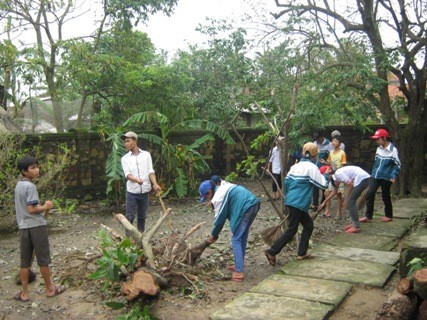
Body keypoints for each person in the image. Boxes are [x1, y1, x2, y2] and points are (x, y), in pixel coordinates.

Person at [264, 142, 328, 266]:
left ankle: (301, 253)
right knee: (292, 229)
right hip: (299, 202)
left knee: (308, 225)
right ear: (315, 155)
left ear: (303, 153)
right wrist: (326, 174)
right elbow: (323, 185)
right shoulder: (312, 168)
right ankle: (272, 251)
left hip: (291, 200)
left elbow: (286, 184)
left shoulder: (295, 166)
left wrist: (289, 199)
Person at [13, 156, 66, 302]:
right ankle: (50, 289)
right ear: (24, 171)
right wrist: (46, 206)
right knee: (43, 259)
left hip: (23, 227)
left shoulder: (18, 186)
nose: (37, 170)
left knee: (25, 262)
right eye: (32, 168)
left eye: (37, 167)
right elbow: (31, 209)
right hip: (36, 227)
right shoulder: (30, 187)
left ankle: (24, 293)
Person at [199, 180, 260, 282]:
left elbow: (219, 220)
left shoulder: (218, 197)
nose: (206, 199)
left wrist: (214, 235)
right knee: (242, 237)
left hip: (245, 207)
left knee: (236, 239)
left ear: (209, 192)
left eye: (206, 197)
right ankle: (238, 265)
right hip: (254, 204)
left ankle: (239, 272)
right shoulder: (223, 187)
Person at [121, 131, 161, 233]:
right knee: (130, 217)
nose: (126, 144)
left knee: (142, 216)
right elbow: (127, 175)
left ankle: (141, 238)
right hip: (132, 192)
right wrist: (136, 180)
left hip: (144, 191)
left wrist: (155, 184)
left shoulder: (146, 155)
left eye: (128, 141)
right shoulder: (124, 159)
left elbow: (150, 171)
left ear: (135, 141)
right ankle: (128, 241)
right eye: (125, 142)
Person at [360, 129, 401, 223]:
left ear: (384, 138)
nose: (377, 141)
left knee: (385, 195)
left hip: (386, 176)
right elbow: (376, 162)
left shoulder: (393, 150)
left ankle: (389, 215)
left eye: (378, 139)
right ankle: (368, 216)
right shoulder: (379, 149)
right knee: (370, 193)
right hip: (375, 175)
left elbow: (397, 164)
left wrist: (393, 175)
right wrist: (373, 173)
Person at [318, 165, 370, 233]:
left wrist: (346, 199)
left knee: (351, 201)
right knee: (350, 201)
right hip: (361, 178)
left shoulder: (338, 174)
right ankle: (353, 223)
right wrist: (324, 202)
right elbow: (334, 191)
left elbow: (350, 184)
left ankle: (356, 226)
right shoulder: (335, 178)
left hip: (362, 178)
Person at [322, 135, 347, 218]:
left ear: (340, 143)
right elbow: (329, 164)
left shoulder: (342, 153)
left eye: (336, 141)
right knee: (327, 192)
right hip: (331, 175)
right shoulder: (331, 153)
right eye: (333, 140)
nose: (333, 142)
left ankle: (339, 212)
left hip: (339, 176)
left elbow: (343, 166)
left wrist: (334, 171)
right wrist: (327, 169)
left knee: (339, 194)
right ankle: (327, 211)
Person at [311, 132, 332, 210]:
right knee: (315, 185)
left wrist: (326, 163)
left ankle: (323, 203)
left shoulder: (329, 145)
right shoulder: (315, 143)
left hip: (324, 168)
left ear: (322, 137)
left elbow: (331, 158)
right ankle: (314, 204)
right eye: (316, 139)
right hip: (315, 168)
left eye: (318, 138)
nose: (317, 140)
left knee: (324, 185)